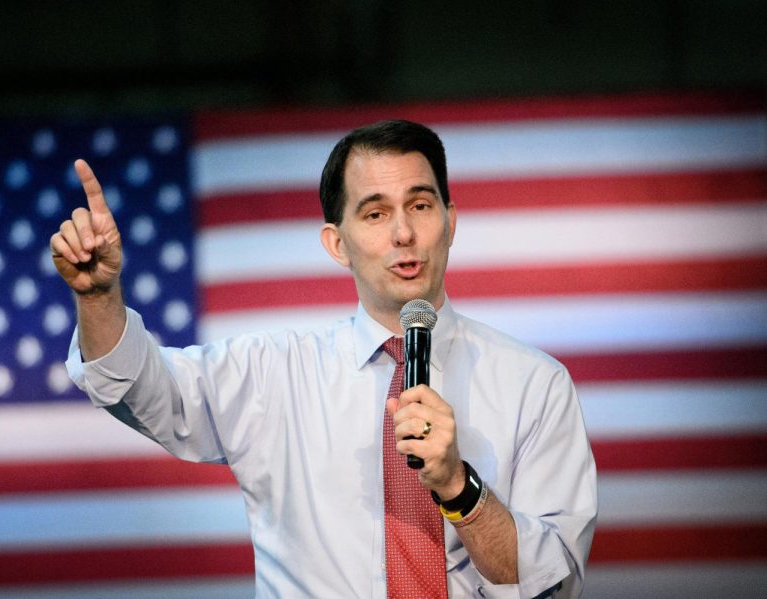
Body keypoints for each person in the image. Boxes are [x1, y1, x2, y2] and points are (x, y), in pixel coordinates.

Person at [52, 120, 597, 598]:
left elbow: (556, 584)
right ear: (337, 244)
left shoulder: (535, 384)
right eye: (376, 213)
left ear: (450, 222)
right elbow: (139, 390)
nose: (404, 233)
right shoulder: (273, 375)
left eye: (421, 205)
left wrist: (458, 485)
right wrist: (99, 298)